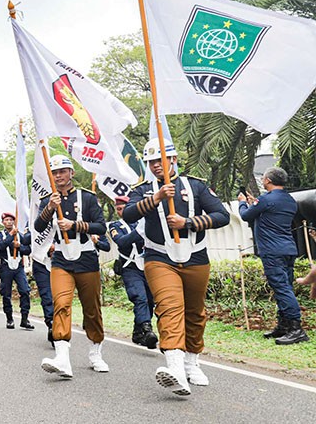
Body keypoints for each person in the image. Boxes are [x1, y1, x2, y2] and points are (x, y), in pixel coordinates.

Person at [123, 138, 229, 397]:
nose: (156, 165)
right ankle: (175, 370)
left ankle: (192, 362)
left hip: (195, 257)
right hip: (159, 258)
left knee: (195, 313)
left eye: (161, 160)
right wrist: (157, 197)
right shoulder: (143, 190)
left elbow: (222, 216)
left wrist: (188, 222)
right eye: (151, 162)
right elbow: (128, 214)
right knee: (169, 307)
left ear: (173, 159)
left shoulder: (195, 186)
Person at [35, 155, 109, 378]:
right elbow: (39, 226)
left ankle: (96, 350)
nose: (58, 176)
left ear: (71, 173)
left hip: (86, 259)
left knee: (91, 309)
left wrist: (75, 225)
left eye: (62, 172)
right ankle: (62, 358)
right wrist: (50, 207)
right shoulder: (49, 199)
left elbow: (101, 228)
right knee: (61, 304)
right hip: (61, 261)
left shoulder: (87, 198)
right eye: (55, 173)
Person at [239, 167, 309, 345]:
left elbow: (246, 215)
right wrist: (257, 204)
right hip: (288, 249)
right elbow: (272, 214)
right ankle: (284, 325)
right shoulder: (289, 200)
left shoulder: (265, 200)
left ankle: (296, 329)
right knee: (285, 287)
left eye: (263, 177)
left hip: (272, 250)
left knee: (281, 288)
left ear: (268, 180)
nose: (262, 179)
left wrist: (242, 202)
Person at [109, 196, 158, 349]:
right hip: (130, 267)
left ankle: (137, 333)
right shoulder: (115, 226)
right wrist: (140, 231)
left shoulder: (142, 223)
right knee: (139, 297)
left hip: (148, 265)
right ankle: (146, 328)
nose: (120, 211)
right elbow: (122, 242)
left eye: (123, 208)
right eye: (118, 208)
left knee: (150, 300)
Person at [0, 212, 33, 330]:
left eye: (11, 220)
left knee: (25, 290)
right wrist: (11, 236)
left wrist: (20, 247)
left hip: (18, 267)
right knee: (6, 294)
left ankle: (24, 318)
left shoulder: (20, 235)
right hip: (6, 266)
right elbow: (0, 247)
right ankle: (9, 319)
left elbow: (28, 250)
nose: (9, 222)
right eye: (6, 220)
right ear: (3, 222)